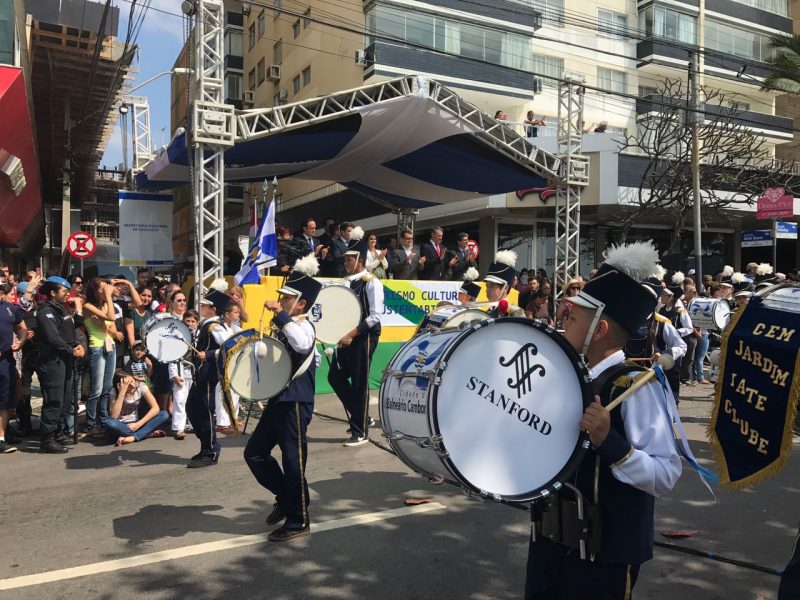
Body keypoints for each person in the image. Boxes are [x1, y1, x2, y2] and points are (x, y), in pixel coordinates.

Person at [525, 241, 682, 600]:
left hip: (603, 555)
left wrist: (611, 442)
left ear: (599, 330)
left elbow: (666, 475)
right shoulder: (563, 378)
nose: (563, 322)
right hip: (548, 539)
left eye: (574, 317)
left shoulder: (635, 388)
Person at [244, 254, 321, 542]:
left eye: (287, 298)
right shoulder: (286, 325)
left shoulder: (304, 326)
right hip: (279, 400)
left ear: (301, 304)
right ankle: (286, 496)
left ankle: (299, 519)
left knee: (292, 462)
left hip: (296, 403)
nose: (281, 300)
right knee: (254, 453)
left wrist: (280, 314)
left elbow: (302, 343)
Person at [328, 227, 384, 446]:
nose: (346, 262)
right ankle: (362, 417)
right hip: (346, 338)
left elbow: (375, 316)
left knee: (360, 383)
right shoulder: (347, 281)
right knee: (335, 377)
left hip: (363, 337)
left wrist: (352, 334)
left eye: (350, 259)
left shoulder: (371, 282)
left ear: (359, 259)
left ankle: (360, 432)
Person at [34, 277, 84, 453]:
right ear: (53, 293)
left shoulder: (61, 310)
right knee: (54, 399)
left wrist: (77, 347)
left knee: (64, 397)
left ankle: (57, 432)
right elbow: (53, 338)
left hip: (65, 359)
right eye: (63, 291)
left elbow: (71, 330)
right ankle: (47, 438)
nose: (67, 294)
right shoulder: (46, 312)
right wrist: (71, 351)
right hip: (52, 360)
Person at [185, 290, 230, 467]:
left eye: (204, 305)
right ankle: (207, 445)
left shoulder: (216, 326)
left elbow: (231, 346)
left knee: (204, 413)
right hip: (200, 374)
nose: (200, 307)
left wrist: (209, 354)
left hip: (209, 375)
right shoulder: (208, 324)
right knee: (192, 409)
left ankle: (210, 451)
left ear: (213, 309)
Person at [82, 278, 118, 437]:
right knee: (96, 389)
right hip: (96, 346)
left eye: (106, 289)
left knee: (107, 386)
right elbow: (111, 318)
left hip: (110, 346)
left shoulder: (105, 304)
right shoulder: (88, 306)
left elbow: (112, 323)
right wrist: (109, 297)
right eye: (102, 289)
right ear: (94, 291)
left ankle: (103, 420)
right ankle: (91, 424)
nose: (105, 291)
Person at [105, 373, 169, 446]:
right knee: (110, 423)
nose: (133, 386)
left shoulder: (141, 386)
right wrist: (121, 393)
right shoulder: (114, 391)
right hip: (121, 426)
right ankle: (145, 434)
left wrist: (139, 424)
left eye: (133, 381)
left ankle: (133, 438)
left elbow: (155, 408)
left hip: (136, 423)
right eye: (128, 385)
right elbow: (114, 416)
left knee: (164, 414)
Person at [0, 282, 27, 453]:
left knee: (4, 401)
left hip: (5, 361)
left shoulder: (10, 309)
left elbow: (22, 328)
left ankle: (1, 438)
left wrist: (21, 341)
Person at [659, 273, 693, 398]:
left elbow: (689, 328)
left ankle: (674, 400)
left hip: (674, 348)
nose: (662, 297)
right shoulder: (661, 310)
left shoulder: (680, 311)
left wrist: (675, 332)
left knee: (673, 376)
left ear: (672, 297)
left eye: (664, 295)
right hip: (662, 348)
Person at [213, 302, 243, 434]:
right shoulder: (218, 327)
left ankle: (233, 418)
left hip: (233, 363)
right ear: (227, 314)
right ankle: (222, 423)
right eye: (235, 312)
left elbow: (243, 334)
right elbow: (225, 343)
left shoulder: (233, 327)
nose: (238, 314)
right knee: (223, 391)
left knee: (235, 391)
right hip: (221, 364)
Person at [168, 311, 198, 440]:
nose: (190, 324)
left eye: (193, 321)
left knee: (194, 400)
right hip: (181, 372)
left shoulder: (199, 338)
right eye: (188, 321)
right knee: (180, 400)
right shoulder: (177, 338)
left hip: (194, 373)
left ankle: (193, 424)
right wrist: (174, 375)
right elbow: (171, 357)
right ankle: (178, 427)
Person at [483, 250, 524, 318]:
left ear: (505, 288)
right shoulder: (485, 314)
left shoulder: (517, 312)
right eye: (487, 286)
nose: (487, 290)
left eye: (491, 286)